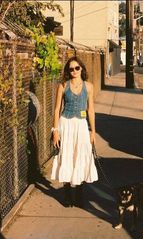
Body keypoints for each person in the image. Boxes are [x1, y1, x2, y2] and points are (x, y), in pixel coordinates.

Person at [51, 56, 98, 207]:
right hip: (66, 124)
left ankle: (79, 193)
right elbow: (57, 109)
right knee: (67, 156)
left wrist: (93, 131)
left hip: (82, 126)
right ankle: (67, 194)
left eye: (77, 68)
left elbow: (91, 110)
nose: (74, 71)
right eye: (71, 69)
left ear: (82, 68)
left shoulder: (89, 86)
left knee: (81, 156)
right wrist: (55, 131)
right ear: (68, 71)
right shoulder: (63, 86)